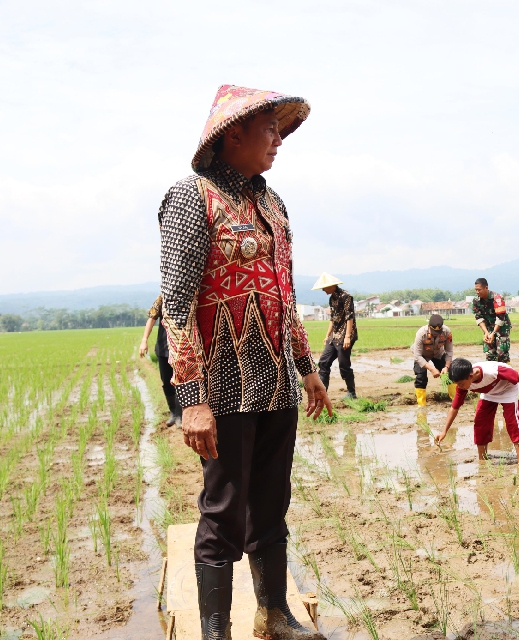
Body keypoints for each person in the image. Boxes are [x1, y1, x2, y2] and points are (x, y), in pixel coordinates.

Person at [158, 84, 331, 640]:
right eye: (269, 129)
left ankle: (274, 614)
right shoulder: (192, 198)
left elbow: (285, 296)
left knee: (271, 505)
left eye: (282, 129)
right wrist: (192, 401)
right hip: (224, 388)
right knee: (223, 511)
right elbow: (177, 308)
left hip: (276, 385)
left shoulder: (274, 204)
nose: (279, 140)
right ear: (232, 134)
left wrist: (307, 368)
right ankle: (215, 633)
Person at [435, 357, 519, 464]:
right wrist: (444, 431)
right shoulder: (463, 384)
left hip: (508, 389)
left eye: (461, 384)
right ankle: (482, 460)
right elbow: (455, 407)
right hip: (489, 392)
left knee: (513, 423)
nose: (459, 387)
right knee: (480, 422)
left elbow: (515, 375)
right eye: (457, 384)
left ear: (471, 376)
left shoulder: (492, 371)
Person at [139, 294, 182, 427]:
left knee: (180, 382)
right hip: (163, 348)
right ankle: (173, 412)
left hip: (181, 348)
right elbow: (152, 318)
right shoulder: (162, 298)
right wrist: (144, 340)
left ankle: (181, 416)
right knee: (166, 382)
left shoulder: (187, 295)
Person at [314, 272, 357, 400]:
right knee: (324, 362)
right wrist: (327, 335)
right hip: (334, 335)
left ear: (331, 285)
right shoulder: (332, 298)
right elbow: (333, 318)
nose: (323, 290)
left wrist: (348, 337)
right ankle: (322, 393)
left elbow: (350, 317)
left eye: (324, 287)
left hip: (345, 334)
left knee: (344, 364)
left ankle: (352, 393)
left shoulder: (346, 296)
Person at [412, 314, 455, 405]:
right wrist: (432, 369)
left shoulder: (447, 332)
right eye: (434, 332)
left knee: (450, 373)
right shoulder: (421, 333)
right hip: (422, 355)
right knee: (421, 376)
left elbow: (449, 351)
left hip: (438, 354)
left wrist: (446, 367)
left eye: (438, 332)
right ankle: (421, 404)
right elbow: (417, 355)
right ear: (429, 327)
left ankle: (455, 399)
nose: (436, 334)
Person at [472, 278, 512, 362]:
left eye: (479, 290)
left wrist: (494, 333)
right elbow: (479, 317)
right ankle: (492, 374)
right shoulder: (476, 301)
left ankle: (506, 373)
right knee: (490, 354)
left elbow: (501, 318)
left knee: (502, 353)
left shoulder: (497, 298)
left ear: (486, 288)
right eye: (476, 290)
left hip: (502, 328)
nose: (477, 292)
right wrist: (486, 332)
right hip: (489, 327)